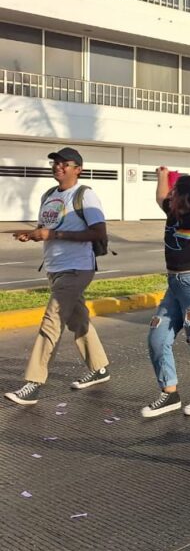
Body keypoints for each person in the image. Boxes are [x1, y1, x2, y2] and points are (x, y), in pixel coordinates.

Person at [5, 147, 111, 407]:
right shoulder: (49, 195)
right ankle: (99, 368)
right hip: (55, 267)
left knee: (51, 320)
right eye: (55, 163)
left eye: (65, 164)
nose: (58, 167)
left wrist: (52, 236)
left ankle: (34, 383)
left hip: (77, 267)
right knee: (78, 320)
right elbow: (47, 229)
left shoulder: (85, 196)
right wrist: (32, 234)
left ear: (78, 169)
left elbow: (98, 232)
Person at [140, 167, 190, 419]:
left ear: (187, 197)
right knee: (157, 336)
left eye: (175, 193)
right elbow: (160, 195)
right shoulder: (172, 213)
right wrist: (162, 175)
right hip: (174, 284)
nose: (169, 196)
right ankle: (169, 393)